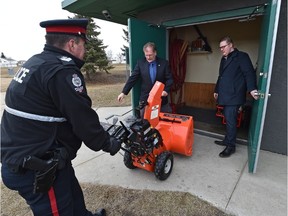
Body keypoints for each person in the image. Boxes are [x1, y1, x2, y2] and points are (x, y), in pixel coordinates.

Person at [0, 18, 121, 216]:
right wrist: (107, 142)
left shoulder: (37, 62)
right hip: (37, 168)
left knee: (73, 198)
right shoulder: (61, 71)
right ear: (72, 44)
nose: (85, 51)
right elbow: (82, 119)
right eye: (84, 45)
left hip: (38, 158)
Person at [214, 36, 259, 158]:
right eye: (220, 47)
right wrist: (216, 90)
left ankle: (231, 146)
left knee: (231, 121)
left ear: (231, 45)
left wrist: (252, 89)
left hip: (234, 96)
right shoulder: (224, 59)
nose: (221, 49)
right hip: (224, 95)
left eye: (223, 47)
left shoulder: (242, 56)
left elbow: (248, 73)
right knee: (228, 120)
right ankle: (227, 140)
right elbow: (221, 76)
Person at [117, 42, 173, 116]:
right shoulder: (140, 63)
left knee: (164, 121)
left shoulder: (164, 63)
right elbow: (133, 78)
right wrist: (123, 92)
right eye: (146, 55)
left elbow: (170, 79)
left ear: (155, 53)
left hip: (161, 99)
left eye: (150, 55)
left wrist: (166, 90)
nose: (148, 57)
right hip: (146, 99)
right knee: (145, 123)